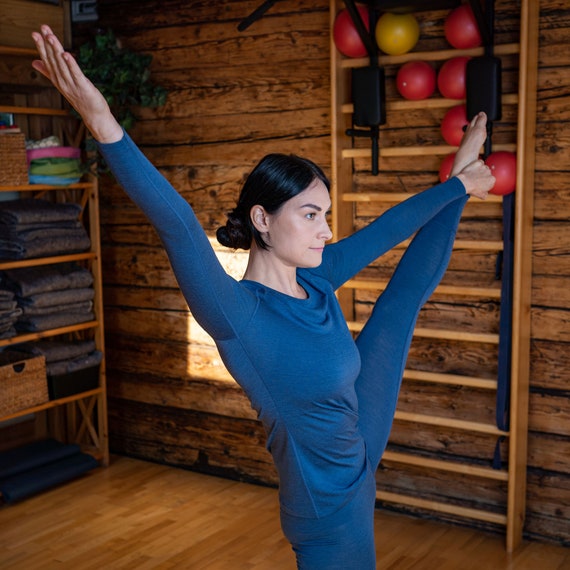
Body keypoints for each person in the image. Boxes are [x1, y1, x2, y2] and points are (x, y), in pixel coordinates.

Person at [32, 25, 495, 569]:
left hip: (358, 447)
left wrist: (459, 183)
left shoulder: (317, 279)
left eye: (324, 216)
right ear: (262, 220)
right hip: (324, 507)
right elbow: (179, 225)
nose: (325, 231)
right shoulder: (237, 314)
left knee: (400, 301)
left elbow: (390, 232)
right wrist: (103, 122)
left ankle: (465, 175)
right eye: (310, 214)